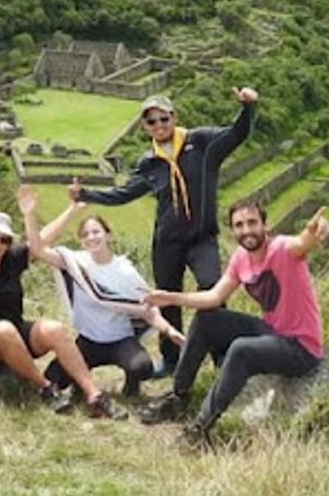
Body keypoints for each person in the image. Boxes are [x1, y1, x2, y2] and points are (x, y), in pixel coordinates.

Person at [70, 88, 258, 374]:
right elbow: (123, 193)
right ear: (145, 127)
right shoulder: (149, 162)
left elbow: (237, 134)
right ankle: (172, 359)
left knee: (211, 288)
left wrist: (248, 107)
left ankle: (222, 355)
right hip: (167, 243)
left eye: (163, 118)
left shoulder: (202, 142)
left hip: (201, 238)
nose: (159, 125)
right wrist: (86, 194)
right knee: (167, 298)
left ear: (174, 117)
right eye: (151, 122)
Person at [0, 185, 126, 418]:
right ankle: (46, 388)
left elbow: (44, 237)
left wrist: (69, 210)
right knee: (3, 329)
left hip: (17, 331)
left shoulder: (12, 260)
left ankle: (94, 395)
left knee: (55, 329)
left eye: (4, 240)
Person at [139, 200, 329, 447]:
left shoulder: (282, 249)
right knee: (207, 319)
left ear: (265, 225)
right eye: (239, 225)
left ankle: (199, 430)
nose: (246, 230)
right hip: (272, 332)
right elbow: (214, 297)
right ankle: (178, 397)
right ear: (232, 231)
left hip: (301, 348)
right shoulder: (241, 258)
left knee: (241, 349)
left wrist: (314, 232)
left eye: (252, 222)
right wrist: (170, 297)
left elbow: (302, 242)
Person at [17, 184, 185, 397]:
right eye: (85, 234)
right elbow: (38, 248)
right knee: (53, 378)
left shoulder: (125, 270)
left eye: (96, 232)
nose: (91, 237)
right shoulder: (75, 262)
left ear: (108, 236)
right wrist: (30, 214)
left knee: (142, 367)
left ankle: (131, 385)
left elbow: (147, 309)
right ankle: (81, 380)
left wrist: (168, 330)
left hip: (120, 340)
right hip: (88, 341)